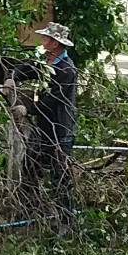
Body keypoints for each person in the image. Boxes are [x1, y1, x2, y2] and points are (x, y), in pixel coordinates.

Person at [11, 21, 78, 213]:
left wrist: (28, 109)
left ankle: (65, 217)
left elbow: (53, 99)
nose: (42, 40)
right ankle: (30, 210)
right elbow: (29, 69)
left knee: (60, 174)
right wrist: (12, 76)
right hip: (43, 127)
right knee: (30, 164)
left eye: (46, 38)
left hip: (59, 128)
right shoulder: (46, 62)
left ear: (55, 43)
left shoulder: (66, 69)